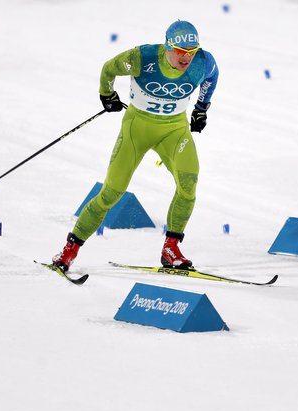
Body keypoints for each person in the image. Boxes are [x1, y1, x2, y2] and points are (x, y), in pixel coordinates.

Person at [52, 20, 219, 272]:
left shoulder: (203, 61)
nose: (186, 58)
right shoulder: (143, 57)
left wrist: (201, 108)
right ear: (167, 47)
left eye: (191, 52)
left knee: (188, 185)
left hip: (174, 130)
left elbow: (212, 77)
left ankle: (171, 249)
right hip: (137, 129)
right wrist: (106, 94)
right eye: (181, 52)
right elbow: (109, 68)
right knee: (111, 193)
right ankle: (70, 250)